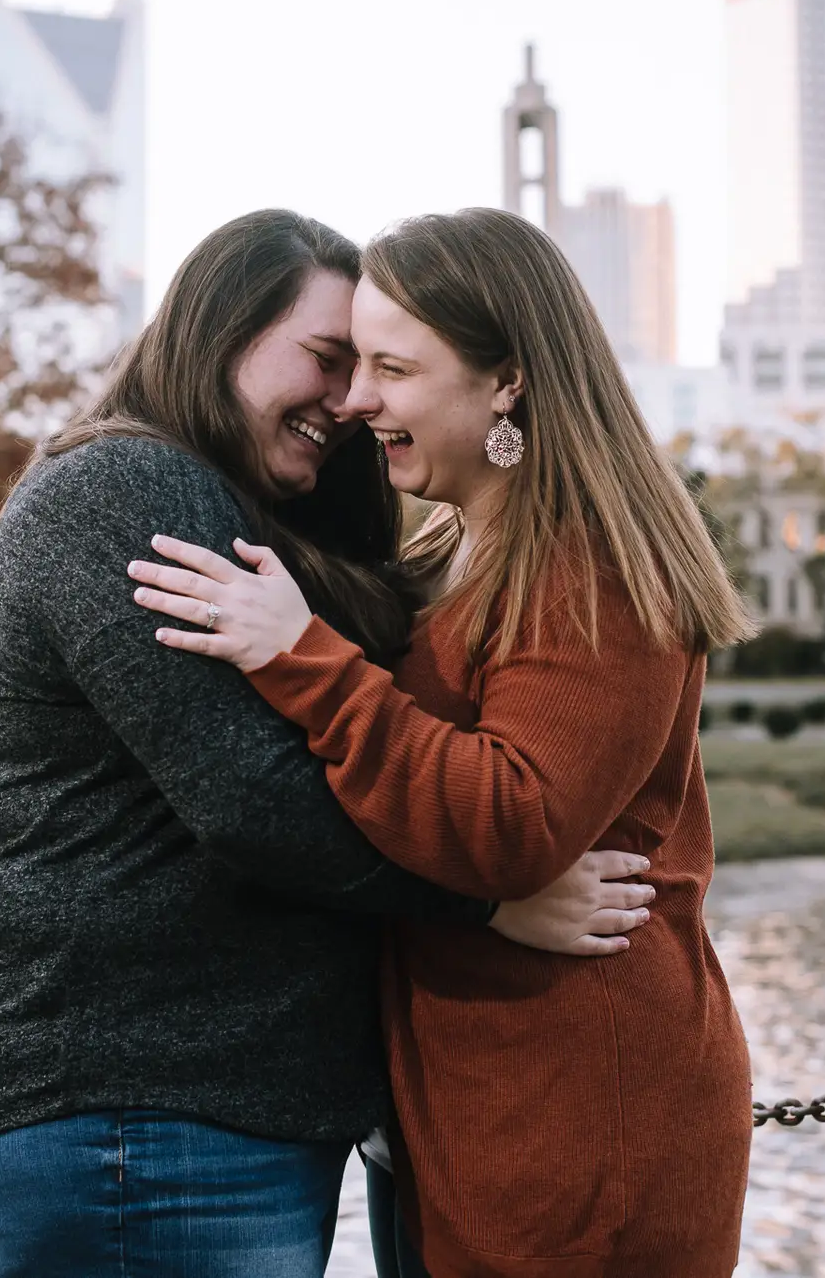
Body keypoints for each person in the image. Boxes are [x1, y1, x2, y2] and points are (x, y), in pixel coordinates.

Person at [0, 209, 654, 1278]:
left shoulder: (247, 513)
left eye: (373, 369)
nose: (349, 401)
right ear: (221, 328)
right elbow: (257, 802)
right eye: (327, 357)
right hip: (125, 1105)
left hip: (200, 1110)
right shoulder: (125, 491)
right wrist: (492, 898)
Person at [127, 206, 758, 1277]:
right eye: (351, 362)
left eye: (392, 367)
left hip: (578, 1120)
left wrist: (302, 654)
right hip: (472, 1112)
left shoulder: (593, 568)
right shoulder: (456, 554)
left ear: (505, 379)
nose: (357, 398)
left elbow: (507, 822)